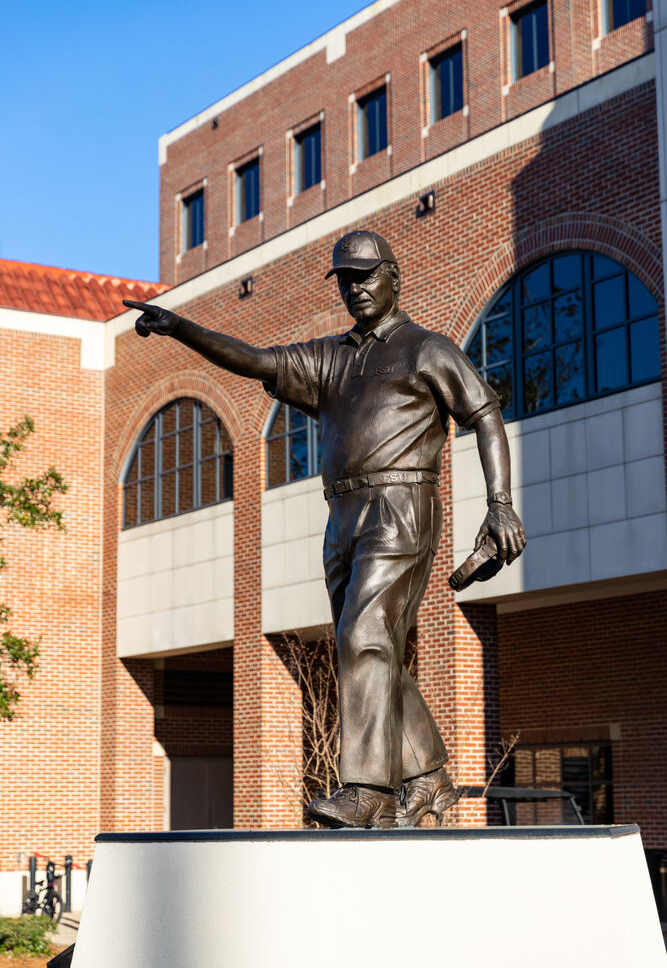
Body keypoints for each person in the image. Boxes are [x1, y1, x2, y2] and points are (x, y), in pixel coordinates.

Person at [125, 229, 526, 829]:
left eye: (365, 275)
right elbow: (257, 360)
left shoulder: (427, 349)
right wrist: (182, 328)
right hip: (341, 515)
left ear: (394, 275)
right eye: (345, 279)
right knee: (371, 646)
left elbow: (485, 415)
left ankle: (368, 790)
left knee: (363, 633)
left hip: (401, 505)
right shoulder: (331, 358)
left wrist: (499, 504)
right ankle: (429, 776)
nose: (355, 287)